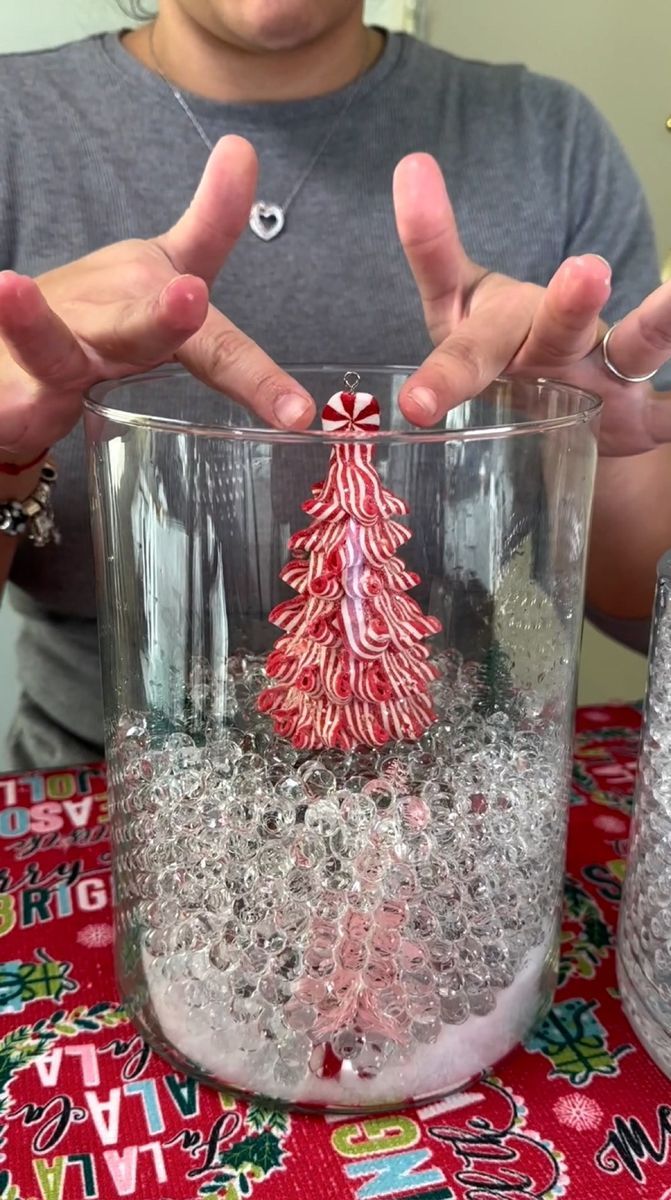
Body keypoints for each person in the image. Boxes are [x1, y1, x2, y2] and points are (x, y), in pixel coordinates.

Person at [0, 0, 669, 769]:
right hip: (116, 788)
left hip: (458, 799)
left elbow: (635, 593)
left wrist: (592, 453)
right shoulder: (16, 127)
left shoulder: (550, 137)